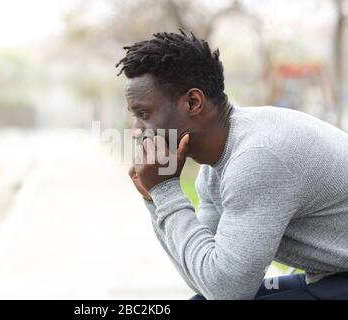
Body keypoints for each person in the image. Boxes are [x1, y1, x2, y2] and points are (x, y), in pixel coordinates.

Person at [116, 30, 348, 300]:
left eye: (143, 114)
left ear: (193, 102)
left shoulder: (257, 157)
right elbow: (204, 276)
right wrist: (156, 199)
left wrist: (166, 192)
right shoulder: (215, 168)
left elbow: (227, 290)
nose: (136, 130)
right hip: (332, 277)